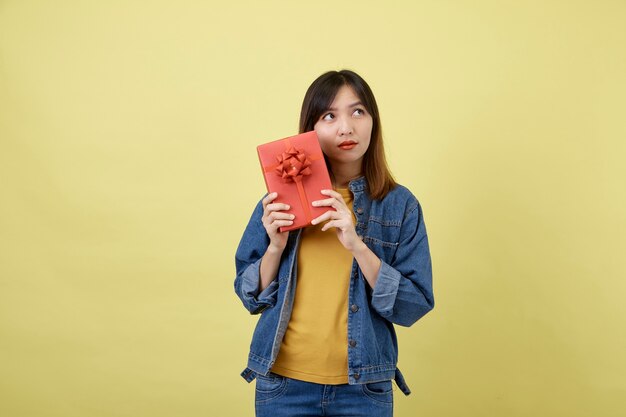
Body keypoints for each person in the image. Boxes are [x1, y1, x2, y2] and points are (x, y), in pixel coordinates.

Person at [234, 69, 434, 417]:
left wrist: (356, 244)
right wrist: (275, 247)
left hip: (364, 390)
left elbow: (413, 306)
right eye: (329, 116)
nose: (346, 128)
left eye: (358, 112)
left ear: (374, 121)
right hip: (283, 386)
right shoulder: (277, 202)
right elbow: (248, 295)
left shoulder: (400, 206)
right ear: (311, 129)